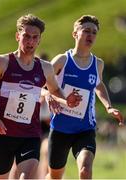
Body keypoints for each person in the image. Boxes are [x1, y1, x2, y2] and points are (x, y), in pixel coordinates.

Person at [0, 14, 77, 179]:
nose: (30, 41)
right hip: (3, 135)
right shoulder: (3, 62)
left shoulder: (45, 68)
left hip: (29, 136)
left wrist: (66, 100)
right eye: (26, 36)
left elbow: (55, 90)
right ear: (17, 36)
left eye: (34, 37)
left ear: (39, 40)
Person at [46, 15, 124, 180]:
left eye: (94, 32)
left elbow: (99, 84)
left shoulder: (98, 64)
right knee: (54, 177)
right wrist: (48, 95)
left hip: (85, 129)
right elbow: (40, 84)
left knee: (85, 170)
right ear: (75, 34)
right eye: (86, 31)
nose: (91, 35)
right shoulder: (62, 60)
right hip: (60, 128)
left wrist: (108, 106)